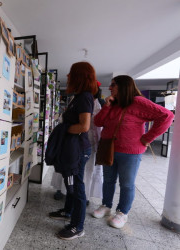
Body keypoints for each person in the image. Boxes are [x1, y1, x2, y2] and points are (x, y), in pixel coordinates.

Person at [92, 75, 174, 229]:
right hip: (109, 148)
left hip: (130, 152)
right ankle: (106, 205)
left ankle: (122, 212)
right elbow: (98, 122)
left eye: (113, 85)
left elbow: (167, 116)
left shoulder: (138, 102)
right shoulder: (113, 103)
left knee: (127, 183)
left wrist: (147, 138)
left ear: (124, 86)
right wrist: (107, 106)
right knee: (108, 180)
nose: (110, 88)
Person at [49, 62, 98, 240]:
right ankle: (67, 212)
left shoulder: (85, 97)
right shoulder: (79, 97)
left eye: (71, 74)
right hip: (74, 148)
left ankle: (78, 226)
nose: (68, 76)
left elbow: (84, 126)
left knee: (76, 186)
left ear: (79, 76)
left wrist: (63, 130)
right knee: (70, 181)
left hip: (78, 149)